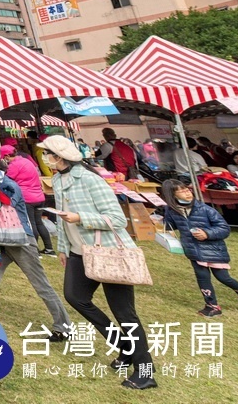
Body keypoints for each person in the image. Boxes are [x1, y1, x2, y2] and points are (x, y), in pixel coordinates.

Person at [41, 135, 156, 390]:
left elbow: (117, 219)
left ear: (59, 157)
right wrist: (62, 247)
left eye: (48, 154)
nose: (46, 158)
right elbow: (61, 219)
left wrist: (81, 217)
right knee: (75, 296)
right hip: (77, 251)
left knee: (124, 313)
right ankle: (124, 346)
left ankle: (145, 370)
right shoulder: (59, 179)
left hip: (109, 252)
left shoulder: (91, 180)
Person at [0, 151, 70, 341]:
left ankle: (63, 326)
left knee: (40, 284)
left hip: (20, 240)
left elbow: (8, 202)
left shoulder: (9, 184)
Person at [160, 180, 238, 316]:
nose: (187, 193)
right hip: (193, 250)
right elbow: (172, 225)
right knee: (202, 277)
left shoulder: (205, 209)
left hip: (213, 249)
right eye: (182, 191)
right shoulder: (172, 211)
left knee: (223, 277)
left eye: (187, 190)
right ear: (172, 195)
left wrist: (207, 234)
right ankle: (212, 306)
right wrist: (160, 221)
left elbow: (224, 228)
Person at [1, 145, 53, 256]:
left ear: (6, 156)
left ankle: (35, 250)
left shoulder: (14, 165)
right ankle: (49, 249)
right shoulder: (26, 161)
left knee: (30, 223)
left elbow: (7, 181)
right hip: (39, 196)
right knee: (39, 223)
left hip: (27, 197)